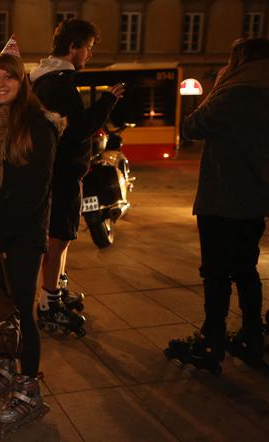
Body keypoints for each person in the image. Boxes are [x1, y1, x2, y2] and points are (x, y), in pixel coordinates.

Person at [0, 37, 61, 434]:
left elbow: (33, 192)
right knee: (2, 307)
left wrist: (2, 238)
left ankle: (29, 391)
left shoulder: (38, 125)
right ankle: (6, 368)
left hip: (22, 236)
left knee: (23, 311)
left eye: (9, 77)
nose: (0, 83)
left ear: (23, 82)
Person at [165, 37, 269, 373]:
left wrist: (219, 84)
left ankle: (212, 340)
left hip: (221, 200)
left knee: (216, 272)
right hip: (255, 202)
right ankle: (253, 337)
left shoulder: (233, 91)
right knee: (246, 269)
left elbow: (192, 127)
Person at [30, 19, 123, 334]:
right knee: (58, 238)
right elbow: (79, 128)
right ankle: (48, 303)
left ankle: (56, 290)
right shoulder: (59, 83)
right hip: (62, 174)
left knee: (63, 236)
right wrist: (109, 100)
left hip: (57, 173)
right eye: (88, 48)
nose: (89, 55)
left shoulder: (45, 80)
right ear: (73, 47)